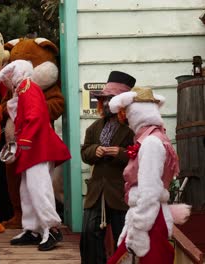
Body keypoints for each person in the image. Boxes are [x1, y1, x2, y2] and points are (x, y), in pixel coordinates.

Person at [0, 60, 71, 251]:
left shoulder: (28, 87)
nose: (7, 80)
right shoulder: (22, 90)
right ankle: (33, 228)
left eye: (9, 76)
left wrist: (24, 141)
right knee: (27, 190)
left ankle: (51, 228)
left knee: (38, 188)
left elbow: (35, 115)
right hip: (31, 148)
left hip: (37, 147)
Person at [107, 87, 190, 264]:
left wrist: (139, 231)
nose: (127, 119)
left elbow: (150, 191)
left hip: (149, 220)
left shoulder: (151, 143)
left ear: (136, 115)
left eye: (128, 114)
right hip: (149, 216)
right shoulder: (154, 138)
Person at [80, 71, 136, 264]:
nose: (105, 103)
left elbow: (139, 154)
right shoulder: (93, 128)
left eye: (109, 99)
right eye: (103, 99)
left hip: (120, 191)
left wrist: (119, 153)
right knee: (88, 233)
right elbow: (84, 152)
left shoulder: (132, 128)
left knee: (123, 237)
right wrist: (94, 150)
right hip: (97, 190)